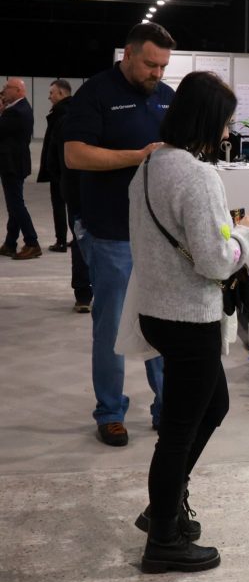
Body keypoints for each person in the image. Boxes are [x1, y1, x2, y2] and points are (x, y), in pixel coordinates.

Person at [125, 70, 249, 573]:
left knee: (212, 406)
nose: (228, 133)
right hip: (189, 318)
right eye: (225, 122)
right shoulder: (198, 175)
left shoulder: (150, 164)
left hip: (157, 310)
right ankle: (163, 539)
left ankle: (162, 508)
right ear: (206, 121)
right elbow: (216, 262)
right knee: (179, 432)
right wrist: (246, 233)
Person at [63, 22, 175, 445]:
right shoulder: (96, 93)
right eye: (150, 64)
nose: (157, 74)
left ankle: (167, 407)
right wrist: (138, 157)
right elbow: (75, 155)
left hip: (159, 235)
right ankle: (110, 411)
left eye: (163, 66)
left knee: (162, 325)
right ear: (127, 55)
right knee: (111, 328)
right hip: (111, 233)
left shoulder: (167, 97)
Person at [0, 78, 41, 260]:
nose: (3, 91)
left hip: (12, 164)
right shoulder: (21, 107)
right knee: (14, 205)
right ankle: (10, 243)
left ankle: (32, 242)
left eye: (6, 88)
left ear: (18, 90)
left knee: (16, 205)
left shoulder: (15, 112)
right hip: (16, 163)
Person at [38, 79, 74, 252]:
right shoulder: (72, 110)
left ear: (61, 93)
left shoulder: (62, 113)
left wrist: (53, 168)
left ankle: (61, 241)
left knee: (59, 204)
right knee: (73, 205)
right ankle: (75, 239)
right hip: (68, 168)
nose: (49, 97)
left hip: (60, 170)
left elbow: (57, 145)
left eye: (52, 93)